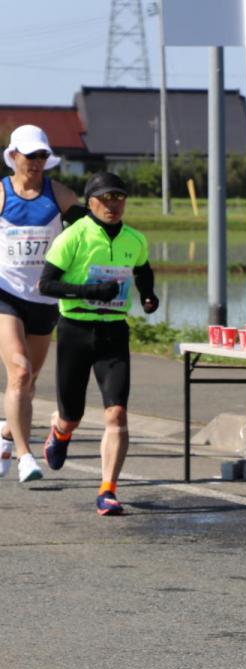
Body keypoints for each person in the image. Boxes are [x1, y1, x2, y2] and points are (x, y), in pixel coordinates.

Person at [37, 172, 158, 515]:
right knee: (71, 415)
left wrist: (149, 295)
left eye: (118, 197)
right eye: (105, 198)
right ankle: (60, 434)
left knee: (117, 413)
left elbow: (142, 270)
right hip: (75, 329)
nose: (113, 204)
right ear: (90, 202)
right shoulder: (73, 237)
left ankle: (107, 489)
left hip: (113, 333)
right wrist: (90, 292)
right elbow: (46, 285)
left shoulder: (135, 238)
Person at [0, 125, 80, 484]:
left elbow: (88, 231)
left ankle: (4, 438)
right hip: (5, 294)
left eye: (42, 156)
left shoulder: (60, 195)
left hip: (45, 298)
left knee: (28, 382)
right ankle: (24, 456)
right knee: (17, 371)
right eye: (29, 155)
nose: (36, 162)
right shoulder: (1, 194)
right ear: (13, 155)